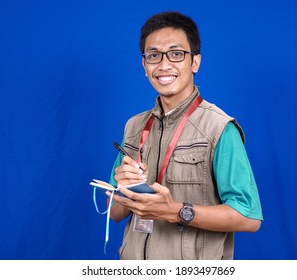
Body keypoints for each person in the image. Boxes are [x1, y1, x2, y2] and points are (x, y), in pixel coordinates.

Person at [107, 11, 263, 260]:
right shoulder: (134, 126)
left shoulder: (219, 128)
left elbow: (249, 217)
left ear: (195, 62)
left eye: (176, 54)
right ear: (144, 65)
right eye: (154, 55)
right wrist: (123, 189)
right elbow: (114, 213)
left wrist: (176, 211)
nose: (164, 64)